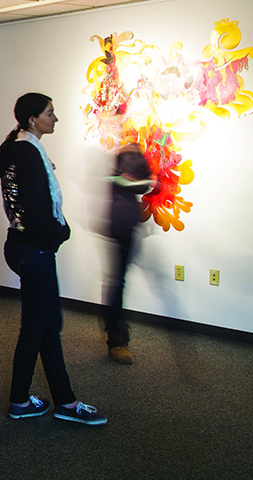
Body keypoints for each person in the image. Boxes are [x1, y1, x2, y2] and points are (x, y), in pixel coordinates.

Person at [0, 92, 107, 425]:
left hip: (27, 246)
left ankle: (64, 402)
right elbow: (32, 207)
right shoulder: (28, 153)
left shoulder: (22, 148)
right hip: (34, 248)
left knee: (47, 325)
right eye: (50, 113)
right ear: (33, 120)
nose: (55, 119)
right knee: (36, 328)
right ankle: (23, 401)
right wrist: (61, 232)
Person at [102, 141, 153, 364]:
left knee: (118, 280)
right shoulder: (127, 154)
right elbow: (129, 182)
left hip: (125, 225)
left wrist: (145, 181)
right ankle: (114, 336)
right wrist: (147, 181)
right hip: (121, 226)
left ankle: (115, 329)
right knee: (117, 281)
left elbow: (139, 184)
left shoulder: (128, 152)